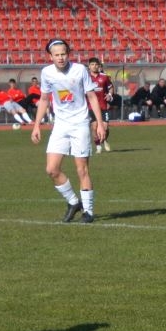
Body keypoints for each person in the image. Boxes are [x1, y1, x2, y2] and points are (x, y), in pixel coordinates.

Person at [31, 39, 106, 223]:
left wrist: (100, 122)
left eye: (63, 54)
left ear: (68, 53)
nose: (60, 58)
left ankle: (88, 212)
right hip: (60, 125)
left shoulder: (80, 70)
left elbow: (91, 96)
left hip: (80, 123)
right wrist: (36, 125)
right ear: (50, 56)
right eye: (56, 55)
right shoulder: (47, 73)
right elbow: (45, 99)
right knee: (51, 169)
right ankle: (73, 202)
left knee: (82, 170)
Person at [87, 57, 114, 153]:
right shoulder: (86, 78)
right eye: (92, 64)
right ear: (89, 66)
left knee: (105, 127)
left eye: (96, 64)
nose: (94, 66)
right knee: (94, 127)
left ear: (99, 66)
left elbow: (111, 87)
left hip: (103, 106)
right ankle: (98, 145)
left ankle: (105, 140)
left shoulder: (104, 77)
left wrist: (110, 95)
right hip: (91, 107)